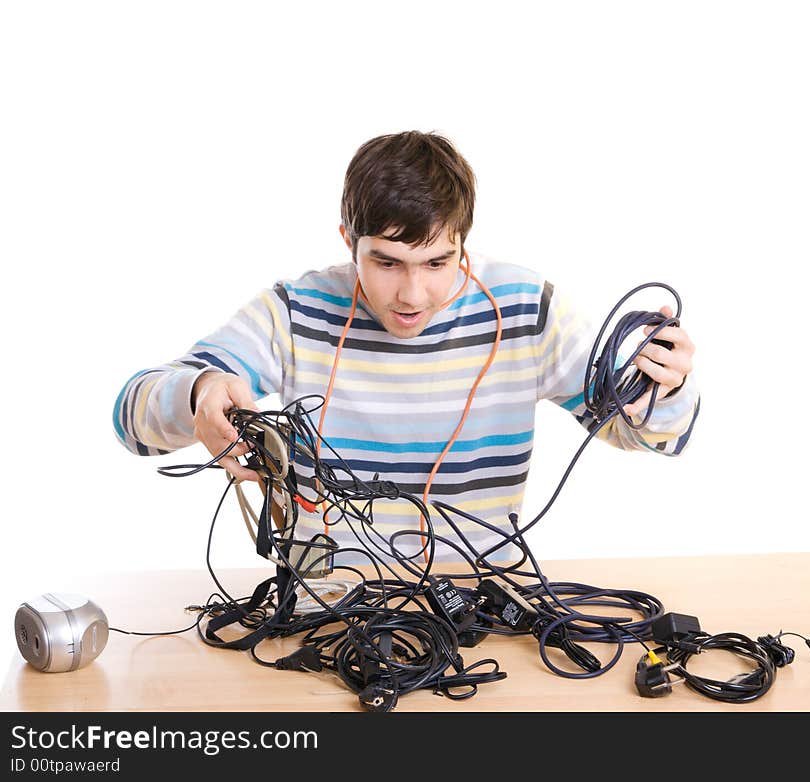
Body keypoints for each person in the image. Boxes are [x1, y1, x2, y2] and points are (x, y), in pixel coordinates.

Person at [113, 130, 699, 563]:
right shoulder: (295, 312)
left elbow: (639, 432)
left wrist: (662, 386)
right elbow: (128, 417)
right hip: (331, 608)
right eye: (387, 263)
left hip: (480, 607)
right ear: (350, 242)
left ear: (463, 243)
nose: (412, 294)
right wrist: (198, 394)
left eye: (437, 262)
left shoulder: (526, 309)